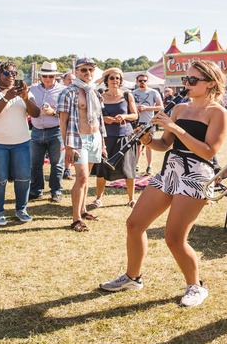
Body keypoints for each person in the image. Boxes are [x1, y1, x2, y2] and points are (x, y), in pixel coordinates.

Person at [100, 60, 227, 308]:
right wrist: (147, 138)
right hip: (171, 169)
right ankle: (133, 277)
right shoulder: (179, 109)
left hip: (196, 174)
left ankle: (196, 286)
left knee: (174, 237)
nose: (187, 85)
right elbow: (163, 145)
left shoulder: (217, 112)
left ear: (210, 83)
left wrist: (175, 128)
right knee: (134, 224)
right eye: (185, 80)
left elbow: (209, 151)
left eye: (193, 80)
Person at [0, 61, 40, 225]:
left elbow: (36, 114)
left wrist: (26, 98)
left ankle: (21, 209)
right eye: (7, 73)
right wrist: (7, 97)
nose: (12, 76)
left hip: (21, 141)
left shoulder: (25, 93)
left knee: (23, 176)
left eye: (14, 73)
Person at [57, 57, 106, 232]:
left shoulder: (95, 91)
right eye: (84, 70)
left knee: (87, 178)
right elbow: (62, 122)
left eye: (91, 70)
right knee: (82, 177)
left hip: (95, 138)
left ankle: (83, 210)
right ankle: (76, 219)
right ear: (76, 72)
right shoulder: (68, 92)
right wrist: (68, 146)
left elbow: (99, 119)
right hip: (78, 140)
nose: (88, 73)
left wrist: (103, 142)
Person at [92, 68, 139, 209]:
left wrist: (124, 116)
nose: (115, 81)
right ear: (106, 80)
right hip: (105, 137)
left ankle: (131, 199)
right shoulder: (99, 95)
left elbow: (135, 115)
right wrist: (103, 118)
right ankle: (98, 198)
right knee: (102, 170)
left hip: (125, 136)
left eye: (118, 78)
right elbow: (93, 114)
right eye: (111, 78)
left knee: (129, 170)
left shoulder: (127, 95)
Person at [29, 61, 66, 203]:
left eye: (50, 76)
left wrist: (54, 112)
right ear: (41, 76)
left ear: (56, 76)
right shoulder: (32, 90)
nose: (47, 79)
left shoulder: (63, 90)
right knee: (35, 163)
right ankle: (36, 191)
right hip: (37, 130)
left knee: (56, 163)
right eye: (45, 76)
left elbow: (67, 112)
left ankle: (56, 191)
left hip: (55, 130)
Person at [132, 73, 162, 175]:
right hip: (136, 122)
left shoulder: (153, 92)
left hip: (149, 122)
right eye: (140, 81)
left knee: (149, 145)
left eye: (144, 81)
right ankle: (135, 164)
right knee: (137, 145)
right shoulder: (132, 93)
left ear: (147, 82)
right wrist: (136, 108)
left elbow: (160, 107)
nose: (142, 82)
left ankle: (149, 166)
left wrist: (146, 108)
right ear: (136, 82)